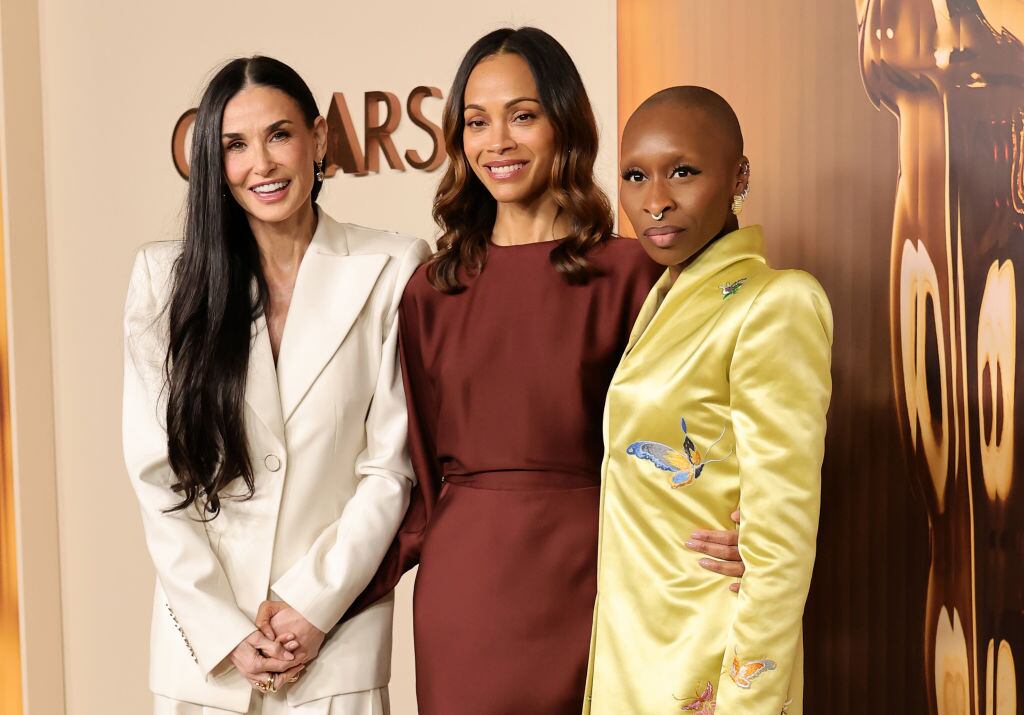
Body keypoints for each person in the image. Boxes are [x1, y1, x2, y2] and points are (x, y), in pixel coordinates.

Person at [337, 30, 745, 715]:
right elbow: (415, 474)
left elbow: (703, 429)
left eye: (522, 116)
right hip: (464, 591)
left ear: (565, 125)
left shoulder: (635, 273)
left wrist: (744, 528)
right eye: (476, 120)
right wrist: (327, 599)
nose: (497, 140)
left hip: (603, 574)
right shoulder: (431, 292)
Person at [122, 55, 427, 714]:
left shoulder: (392, 266)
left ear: (318, 139)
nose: (261, 162)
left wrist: (313, 605)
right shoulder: (164, 280)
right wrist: (225, 631)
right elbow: (157, 473)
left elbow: (391, 466)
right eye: (235, 144)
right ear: (213, 160)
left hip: (332, 642)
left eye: (279, 135)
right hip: (203, 659)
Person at [583, 87, 833, 715]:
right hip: (631, 651)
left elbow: (781, 543)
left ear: (739, 177)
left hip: (708, 662)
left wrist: (747, 703)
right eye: (635, 176)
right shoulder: (663, 299)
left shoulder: (776, 302)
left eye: (684, 172)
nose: (655, 201)